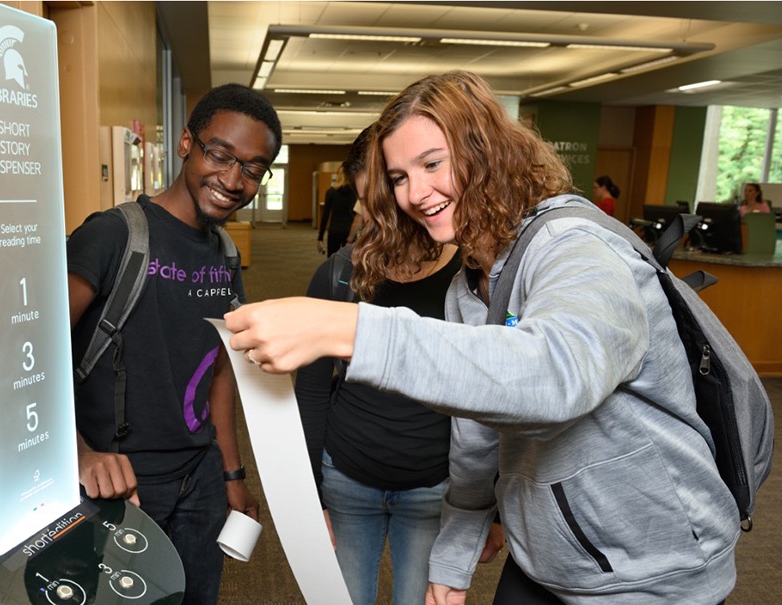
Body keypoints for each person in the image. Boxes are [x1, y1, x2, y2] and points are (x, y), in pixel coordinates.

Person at [225, 71, 738, 604]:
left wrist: (348, 328)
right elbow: (477, 439)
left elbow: (554, 373)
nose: (416, 194)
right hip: (549, 560)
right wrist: (455, 555)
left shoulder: (578, 248)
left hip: (654, 575)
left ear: (486, 151)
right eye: (399, 177)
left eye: (432, 163)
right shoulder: (471, 285)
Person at [67, 83, 282, 605]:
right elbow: (29, 353)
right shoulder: (112, 236)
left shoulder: (226, 255)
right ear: (187, 142)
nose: (234, 180)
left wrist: (230, 473)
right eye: (220, 155)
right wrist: (77, 454)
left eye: (253, 168)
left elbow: (220, 371)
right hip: (118, 481)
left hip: (199, 478)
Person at [295, 126, 499, 605]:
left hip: (435, 488)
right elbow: (310, 391)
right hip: (346, 478)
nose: (382, 215)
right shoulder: (339, 272)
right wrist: (311, 494)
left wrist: (492, 508)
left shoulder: (475, 278)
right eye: (369, 202)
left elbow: (501, 398)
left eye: (389, 194)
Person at [318, 169, 360, 256]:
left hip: (334, 230)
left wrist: (320, 237)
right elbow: (357, 215)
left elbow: (325, 216)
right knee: (350, 261)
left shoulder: (331, 192)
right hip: (349, 231)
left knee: (332, 260)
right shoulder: (355, 193)